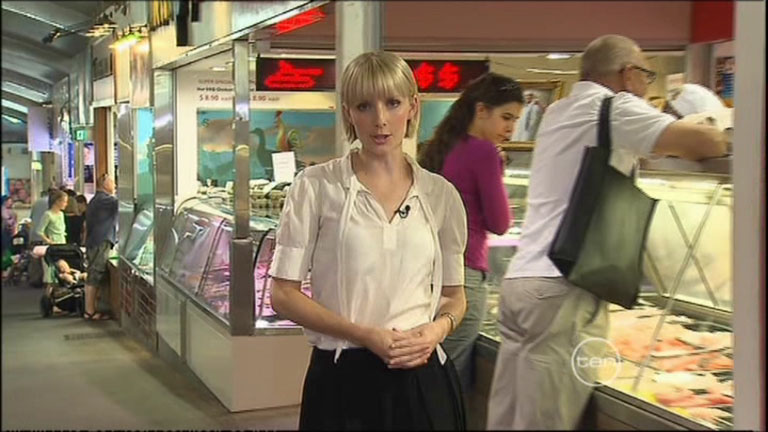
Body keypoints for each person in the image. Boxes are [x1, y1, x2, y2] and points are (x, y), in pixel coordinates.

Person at [486, 34, 728, 430]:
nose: (646, 86)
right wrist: (713, 124)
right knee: (544, 422)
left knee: (507, 418)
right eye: (646, 76)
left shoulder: (560, 109)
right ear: (629, 74)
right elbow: (706, 143)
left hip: (524, 282)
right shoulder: (614, 107)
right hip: (564, 287)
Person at [269, 51, 468, 430]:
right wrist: (365, 335)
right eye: (364, 106)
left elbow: (454, 297)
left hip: (423, 377)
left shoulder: (441, 195)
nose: (380, 119)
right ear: (348, 113)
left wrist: (437, 330)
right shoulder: (316, 187)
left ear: (412, 106)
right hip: (344, 376)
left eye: (392, 103)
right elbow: (283, 295)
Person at [418, 72, 522, 393]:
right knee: (450, 374)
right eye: (506, 117)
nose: (511, 128)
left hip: (428, 272)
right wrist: (498, 169)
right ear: (481, 111)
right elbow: (500, 223)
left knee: (431, 364)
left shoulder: (443, 146)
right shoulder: (485, 152)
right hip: (464, 275)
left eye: (515, 120)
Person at [83, 173, 118, 321]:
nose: (115, 185)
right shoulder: (104, 200)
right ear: (104, 184)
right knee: (95, 275)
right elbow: (125, 203)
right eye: (112, 182)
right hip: (100, 242)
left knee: (94, 274)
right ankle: (89, 311)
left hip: (95, 241)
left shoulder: (97, 200)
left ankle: (91, 308)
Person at [36, 189, 68, 293]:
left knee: (61, 273)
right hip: (52, 247)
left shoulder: (61, 215)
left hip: (62, 245)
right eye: (64, 201)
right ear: (57, 201)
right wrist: (49, 241)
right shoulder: (48, 214)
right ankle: (48, 298)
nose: (66, 204)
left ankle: (57, 298)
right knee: (51, 276)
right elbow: (39, 231)